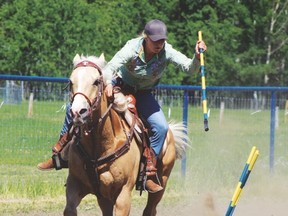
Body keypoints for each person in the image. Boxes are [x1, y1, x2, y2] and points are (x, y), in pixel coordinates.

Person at [37, 19, 207, 193]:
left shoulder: (167, 51)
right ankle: (60, 154)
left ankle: (149, 168)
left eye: (162, 40)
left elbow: (190, 68)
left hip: (143, 94)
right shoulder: (132, 48)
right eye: (155, 40)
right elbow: (111, 66)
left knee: (161, 127)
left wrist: (197, 57)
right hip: (119, 87)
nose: (159, 44)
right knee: (74, 107)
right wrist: (109, 84)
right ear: (145, 37)